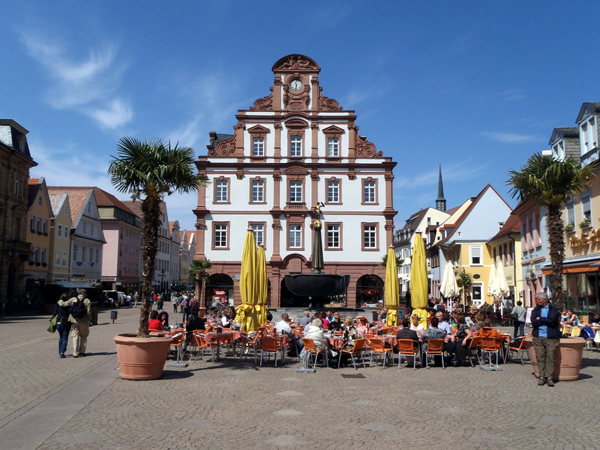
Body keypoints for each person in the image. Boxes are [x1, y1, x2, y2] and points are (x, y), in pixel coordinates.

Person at [531, 292, 560, 386]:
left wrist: (540, 319)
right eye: (537, 299)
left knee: (550, 357)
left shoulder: (553, 309)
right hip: (538, 336)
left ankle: (549, 377)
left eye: (539, 299)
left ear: (545, 299)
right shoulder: (536, 309)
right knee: (540, 357)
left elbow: (552, 321)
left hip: (550, 337)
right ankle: (542, 377)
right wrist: (544, 320)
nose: (537, 301)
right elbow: (533, 321)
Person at [58, 289, 91, 358]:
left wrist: (60, 301)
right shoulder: (87, 301)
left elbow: (64, 304)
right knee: (84, 336)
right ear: (83, 293)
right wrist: (89, 319)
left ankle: (75, 353)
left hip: (73, 321)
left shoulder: (73, 299)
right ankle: (82, 351)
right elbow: (89, 312)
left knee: (75, 337)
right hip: (84, 321)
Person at [54, 293, 72, 358]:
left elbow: (55, 312)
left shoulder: (59, 304)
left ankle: (60, 351)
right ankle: (62, 352)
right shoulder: (68, 305)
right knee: (65, 338)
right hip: (66, 323)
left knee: (61, 337)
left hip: (59, 322)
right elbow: (70, 311)